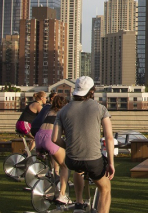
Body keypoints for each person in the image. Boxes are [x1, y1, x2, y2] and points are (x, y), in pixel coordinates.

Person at [52, 76, 114, 213]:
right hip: (93, 160)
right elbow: (109, 137)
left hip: (72, 159)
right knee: (105, 188)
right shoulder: (100, 108)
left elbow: (55, 139)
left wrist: (69, 146)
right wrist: (111, 163)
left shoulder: (63, 111)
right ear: (92, 91)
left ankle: (79, 203)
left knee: (78, 169)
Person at [33, 93, 71, 204]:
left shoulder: (48, 111)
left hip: (39, 137)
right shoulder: (63, 113)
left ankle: (54, 189)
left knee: (54, 166)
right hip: (50, 138)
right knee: (65, 166)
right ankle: (62, 195)